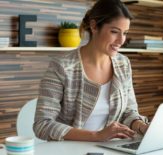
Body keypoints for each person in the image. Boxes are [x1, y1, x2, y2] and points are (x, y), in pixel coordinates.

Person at [33, 0, 149, 142]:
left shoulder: (123, 64)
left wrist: (143, 127)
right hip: (68, 153)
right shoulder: (62, 66)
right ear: (94, 26)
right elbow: (42, 124)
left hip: (110, 150)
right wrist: (97, 136)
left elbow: (128, 112)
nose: (121, 40)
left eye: (125, 33)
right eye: (114, 32)